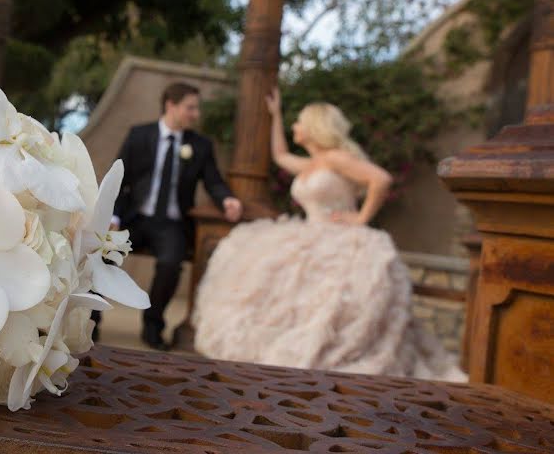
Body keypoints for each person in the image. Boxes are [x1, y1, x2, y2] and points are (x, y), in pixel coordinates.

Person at [192, 88, 465, 381]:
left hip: (340, 238)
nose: (294, 127)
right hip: (308, 233)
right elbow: (280, 155)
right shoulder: (312, 163)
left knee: (330, 303)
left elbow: (380, 179)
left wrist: (360, 218)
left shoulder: (337, 158)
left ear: (313, 128)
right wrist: (275, 115)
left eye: (298, 122)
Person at [102, 82, 242, 350]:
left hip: (171, 223)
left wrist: (227, 199)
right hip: (134, 217)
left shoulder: (200, 146)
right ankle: (92, 319)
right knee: (102, 251)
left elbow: (213, 181)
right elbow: (118, 180)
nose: (195, 114)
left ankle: (152, 324)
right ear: (171, 105)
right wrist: (115, 217)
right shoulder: (139, 136)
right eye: (190, 108)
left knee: (171, 262)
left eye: (196, 108)